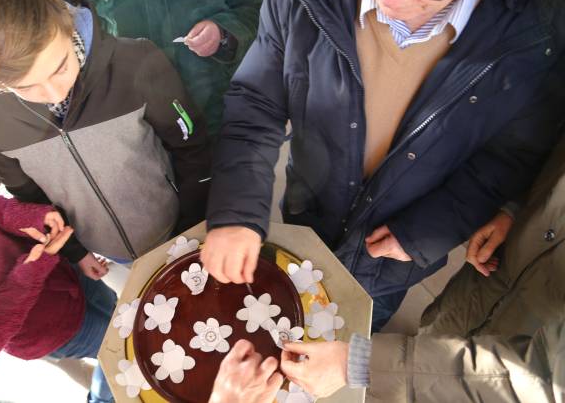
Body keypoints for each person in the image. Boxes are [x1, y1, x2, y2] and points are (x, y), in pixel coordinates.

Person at [201, 0, 565, 330]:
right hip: (308, 208)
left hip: (395, 257)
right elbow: (256, 101)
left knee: (361, 323)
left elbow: (509, 157)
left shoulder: (536, 30)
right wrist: (237, 211)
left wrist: (429, 231)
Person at [209, 129, 565, 402]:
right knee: (438, 330)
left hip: (502, 373)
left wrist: (363, 364)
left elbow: (538, 379)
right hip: (496, 273)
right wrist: (517, 208)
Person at [0, 0, 211, 276]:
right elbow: (27, 193)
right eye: (26, 87)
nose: (56, 94)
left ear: (66, 24)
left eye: (61, 67)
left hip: (179, 222)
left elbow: (191, 145)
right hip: (107, 247)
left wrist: (192, 221)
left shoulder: (136, 63)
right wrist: (75, 251)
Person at [0, 177, 117, 403]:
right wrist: (29, 273)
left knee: (119, 314)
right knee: (123, 350)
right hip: (47, 326)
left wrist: (31, 217)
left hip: (64, 271)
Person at [58, 0, 263, 135]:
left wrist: (224, 33)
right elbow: (73, 35)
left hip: (217, 117)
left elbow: (258, 13)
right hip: (138, 128)